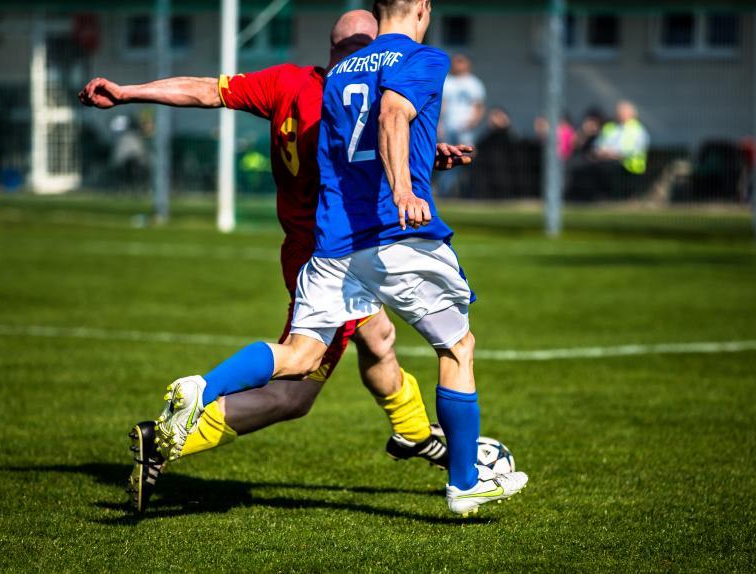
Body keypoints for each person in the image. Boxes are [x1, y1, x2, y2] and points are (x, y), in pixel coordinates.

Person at [79, 9, 474, 513]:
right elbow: (366, 142)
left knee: (379, 339)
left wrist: (130, 92)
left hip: (306, 246)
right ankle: (169, 437)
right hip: (341, 251)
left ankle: (414, 433)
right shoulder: (359, 91)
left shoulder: (287, 83)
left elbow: (203, 89)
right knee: (294, 391)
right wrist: (409, 161)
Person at [436, 53, 485, 196]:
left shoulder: (474, 83)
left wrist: (473, 121)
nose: (458, 65)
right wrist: (439, 124)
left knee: (467, 158)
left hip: (466, 128)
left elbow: (478, 106)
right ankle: (445, 192)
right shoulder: (447, 82)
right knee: (447, 159)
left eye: (461, 62)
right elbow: (442, 106)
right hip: (448, 127)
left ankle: (468, 191)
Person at [593, 101, 649, 175]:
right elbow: (597, 145)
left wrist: (614, 154)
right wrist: (601, 152)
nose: (620, 114)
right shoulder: (610, 126)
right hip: (606, 164)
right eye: (618, 112)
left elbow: (635, 150)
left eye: (623, 112)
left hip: (629, 170)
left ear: (632, 114)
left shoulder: (637, 130)